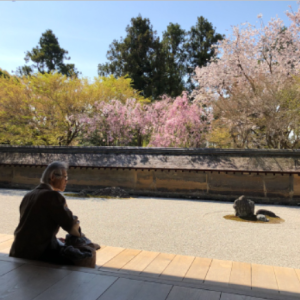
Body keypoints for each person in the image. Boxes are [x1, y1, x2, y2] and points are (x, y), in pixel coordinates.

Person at [9, 161, 81, 265]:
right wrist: (79, 232)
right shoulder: (52, 196)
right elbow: (71, 226)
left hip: (17, 250)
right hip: (38, 253)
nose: (66, 181)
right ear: (52, 177)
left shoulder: (29, 195)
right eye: (65, 177)